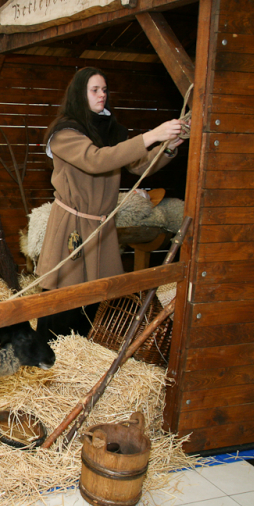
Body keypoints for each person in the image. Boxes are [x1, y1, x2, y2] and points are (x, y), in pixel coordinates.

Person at [36, 66, 188, 338]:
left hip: (102, 224)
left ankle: (81, 351)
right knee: (62, 298)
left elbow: (139, 166)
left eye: (104, 89)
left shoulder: (111, 130)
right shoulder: (64, 133)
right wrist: (152, 135)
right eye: (94, 90)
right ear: (79, 94)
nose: (102, 95)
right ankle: (48, 353)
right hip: (73, 223)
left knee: (96, 296)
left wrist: (168, 146)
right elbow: (96, 160)